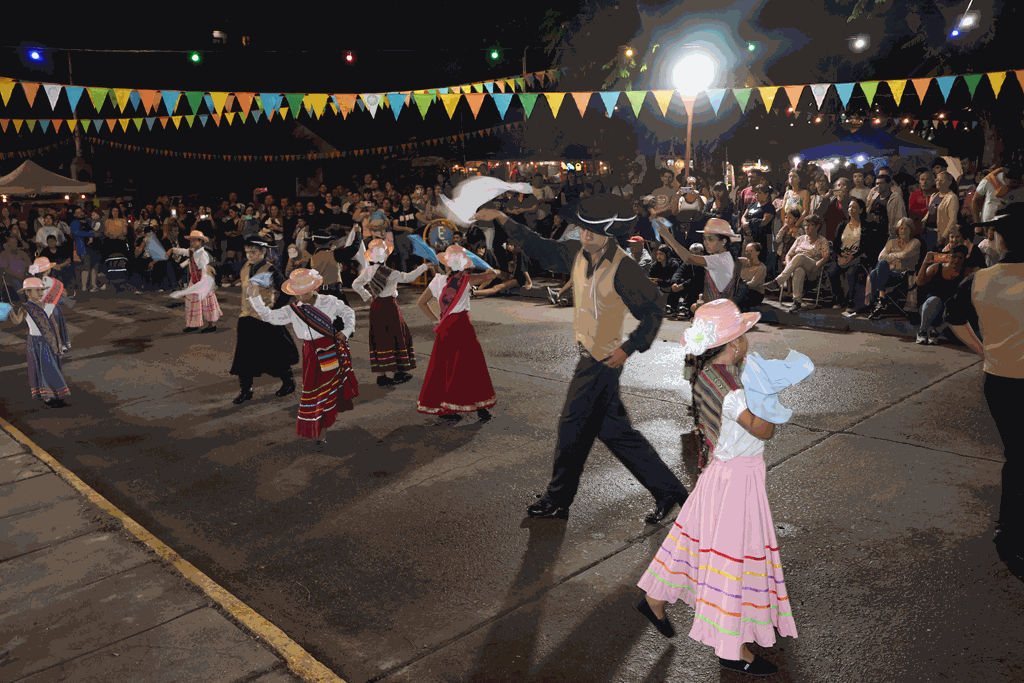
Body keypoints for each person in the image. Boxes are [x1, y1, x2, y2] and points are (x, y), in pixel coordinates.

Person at [473, 195, 691, 524]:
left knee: (571, 429)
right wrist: (502, 218)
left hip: (602, 362)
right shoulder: (577, 253)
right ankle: (670, 491)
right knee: (617, 434)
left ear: (607, 234)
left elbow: (653, 310)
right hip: (590, 356)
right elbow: (539, 247)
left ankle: (558, 499)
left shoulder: (623, 268)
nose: (583, 235)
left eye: (590, 231)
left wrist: (628, 349)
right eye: (582, 229)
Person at [635, 300, 806, 678]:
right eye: (743, 335)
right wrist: (770, 397)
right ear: (733, 344)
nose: (747, 340)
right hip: (737, 480)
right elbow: (764, 429)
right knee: (735, 560)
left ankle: (654, 599)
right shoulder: (734, 391)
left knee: (690, 539)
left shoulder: (706, 375)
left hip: (717, 473)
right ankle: (732, 649)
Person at [945, 203, 1024, 574]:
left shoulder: (978, 280)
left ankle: (1009, 532)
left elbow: (953, 319)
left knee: (1017, 454)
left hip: (1001, 380)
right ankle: (1010, 532)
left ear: (1000, 238)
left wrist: (983, 349)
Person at [248, 269, 358, 447]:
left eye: (305, 291)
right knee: (314, 391)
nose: (302, 296)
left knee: (327, 389)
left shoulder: (329, 302)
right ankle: (320, 428)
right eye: (298, 293)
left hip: (330, 349)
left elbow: (348, 313)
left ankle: (322, 430)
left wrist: (346, 331)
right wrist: (255, 298)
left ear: (315, 287)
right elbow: (269, 316)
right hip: (310, 354)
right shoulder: (293, 310)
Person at [416, 244, 500, 423]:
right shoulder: (467, 280)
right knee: (472, 366)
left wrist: (436, 320)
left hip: (445, 327)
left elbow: (421, 303)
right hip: (462, 326)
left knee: (444, 367)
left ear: (446, 264)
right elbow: (494, 274)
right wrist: (478, 261)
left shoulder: (437, 280)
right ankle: (481, 408)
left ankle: (446, 408)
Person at [352, 239, 431, 387]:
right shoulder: (392, 273)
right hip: (389, 306)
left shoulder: (368, 271)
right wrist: (424, 266)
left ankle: (381, 375)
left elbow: (355, 284)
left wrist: (367, 296)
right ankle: (397, 372)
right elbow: (409, 278)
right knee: (395, 335)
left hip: (376, 307)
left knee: (379, 337)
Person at [230, 237, 299, 405]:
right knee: (244, 357)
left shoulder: (271, 269)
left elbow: (287, 290)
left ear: (262, 252)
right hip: (246, 318)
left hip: (266, 319)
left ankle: (288, 382)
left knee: (276, 355)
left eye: (253, 252)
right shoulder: (245, 266)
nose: (250, 255)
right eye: (247, 252)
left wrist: (275, 309)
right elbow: (225, 266)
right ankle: (246, 390)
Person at [6, 277, 72, 408]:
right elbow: (16, 321)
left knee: (52, 367)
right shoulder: (25, 308)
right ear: (28, 292)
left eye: (42, 290)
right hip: (36, 343)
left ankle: (55, 395)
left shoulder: (48, 306)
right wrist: (12, 310)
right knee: (44, 369)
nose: (41, 293)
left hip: (49, 342)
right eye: (38, 290)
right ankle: (48, 397)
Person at [855, 218, 922, 319]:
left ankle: (874, 305)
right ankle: (881, 300)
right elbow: (880, 257)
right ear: (898, 230)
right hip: (887, 274)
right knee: (880, 265)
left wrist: (891, 256)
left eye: (906, 228)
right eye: (901, 228)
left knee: (875, 271)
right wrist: (895, 258)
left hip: (903, 275)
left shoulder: (915, 242)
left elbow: (904, 255)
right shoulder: (892, 242)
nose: (903, 231)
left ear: (911, 230)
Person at [764, 216, 830, 312]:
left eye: (810, 225)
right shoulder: (800, 239)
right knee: (799, 269)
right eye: (805, 225)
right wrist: (788, 265)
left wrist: (817, 266)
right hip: (798, 266)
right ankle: (797, 302)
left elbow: (825, 257)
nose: (806, 228)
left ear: (817, 226)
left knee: (799, 256)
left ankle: (778, 281)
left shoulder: (822, 240)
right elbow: (788, 255)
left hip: (814, 267)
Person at [169, 230, 222, 333]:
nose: (191, 242)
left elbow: (204, 270)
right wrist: (172, 249)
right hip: (195, 281)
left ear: (200, 241)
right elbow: (183, 251)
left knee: (207, 303)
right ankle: (194, 324)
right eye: (191, 240)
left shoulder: (203, 254)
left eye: (194, 240)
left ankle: (211, 325)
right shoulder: (192, 251)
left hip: (203, 281)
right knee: (191, 303)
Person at [914, 245, 968, 343]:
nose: (956, 260)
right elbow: (919, 282)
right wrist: (925, 263)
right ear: (949, 256)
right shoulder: (937, 267)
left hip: (947, 315)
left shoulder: (965, 273)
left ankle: (936, 332)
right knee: (935, 300)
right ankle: (922, 332)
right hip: (929, 308)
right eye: (954, 257)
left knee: (958, 304)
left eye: (960, 258)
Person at [827, 197, 868, 312]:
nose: (851, 209)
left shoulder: (865, 226)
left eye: (854, 207)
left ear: (860, 210)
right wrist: (841, 253)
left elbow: (866, 245)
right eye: (850, 207)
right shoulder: (842, 225)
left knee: (852, 271)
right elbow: (835, 244)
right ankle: (840, 299)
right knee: (831, 270)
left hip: (857, 257)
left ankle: (851, 301)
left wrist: (853, 255)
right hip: (843, 256)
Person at [649, 245, 683, 319]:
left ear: (667, 254)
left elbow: (673, 280)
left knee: (674, 286)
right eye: (657, 254)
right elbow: (651, 277)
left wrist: (659, 281)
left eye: (661, 254)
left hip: (670, 288)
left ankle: (672, 308)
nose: (658, 256)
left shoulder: (674, 264)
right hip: (660, 288)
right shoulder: (655, 266)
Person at [736, 242, 767, 312]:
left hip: (755, 294)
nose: (748, 253)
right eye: (746, 251)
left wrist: (740, 284)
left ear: (757, 253)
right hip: (742, 290)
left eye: (751, 251)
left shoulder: (761, 267)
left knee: (742, 290)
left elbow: (753, 284)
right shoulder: (743, 261)